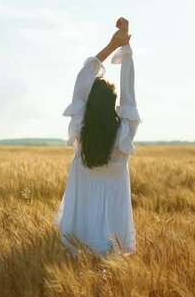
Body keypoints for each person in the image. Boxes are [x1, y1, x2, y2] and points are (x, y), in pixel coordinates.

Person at [54, 17, 141, 257]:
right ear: (113, 105)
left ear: (88, 105)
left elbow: (83, 78)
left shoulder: (81, 127)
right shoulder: (124, 134)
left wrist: (113, 45)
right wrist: (125, 50)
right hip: (113, 240)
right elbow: (129, 94)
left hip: (77, 240)